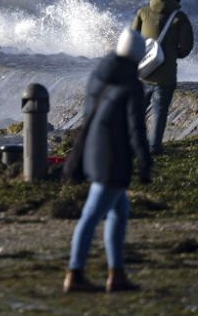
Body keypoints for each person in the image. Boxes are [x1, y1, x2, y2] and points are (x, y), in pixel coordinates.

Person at [63, 29, 153, 293]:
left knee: (119, 211)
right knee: (90, 217)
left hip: (92, 150)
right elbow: (136, 129)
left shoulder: (100, 74)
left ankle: (117, 274)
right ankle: (75, 273)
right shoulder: (132, 85)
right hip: (113, 158)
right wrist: (145, 163)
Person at [132, 0, 194, 154]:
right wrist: (172, 54)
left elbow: (133, 39)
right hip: (165, 76)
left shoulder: (143, 12)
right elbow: (186, 47)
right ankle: (154, 148)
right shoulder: (179, 17)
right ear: (177, 0)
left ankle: (134, 143)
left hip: (143, 73)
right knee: (159, 113)